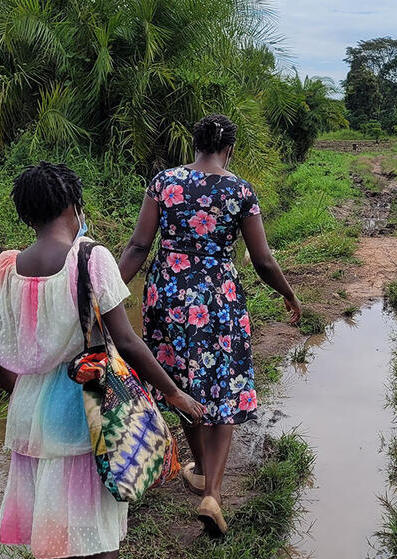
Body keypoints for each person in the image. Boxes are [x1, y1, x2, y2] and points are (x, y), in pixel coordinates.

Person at [0, 162, 204, 559]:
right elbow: (128, 341)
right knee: (101, 543)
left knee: (66, 529)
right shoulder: (90, 256)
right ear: (73, 205)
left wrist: (22, 392)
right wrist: (173, 392)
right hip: (87, 413)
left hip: (30, 417)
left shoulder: (6, 268)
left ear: (28, 215)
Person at [118, 114, 301, 535]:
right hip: (218, 300)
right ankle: (212, 493)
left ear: (194, 144)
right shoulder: (240, 190)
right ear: (229, 149)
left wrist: (104, 293)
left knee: (181, 381)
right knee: (223, 385)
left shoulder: (164, 182)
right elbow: (263, 260)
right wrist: (288, 292)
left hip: (168, 296)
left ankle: (199, 467)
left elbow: (139, 245)